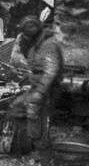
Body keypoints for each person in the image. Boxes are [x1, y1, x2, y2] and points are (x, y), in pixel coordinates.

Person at [7, 17, 64, 152]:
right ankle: (25, 142)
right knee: (16, 108)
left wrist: (39, 92)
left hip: (46, 88)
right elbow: (30, 65)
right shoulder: (36, 44)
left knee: (36, 116)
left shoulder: (48, 45)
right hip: (36, 85)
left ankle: (41, 150)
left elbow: (51, 71)